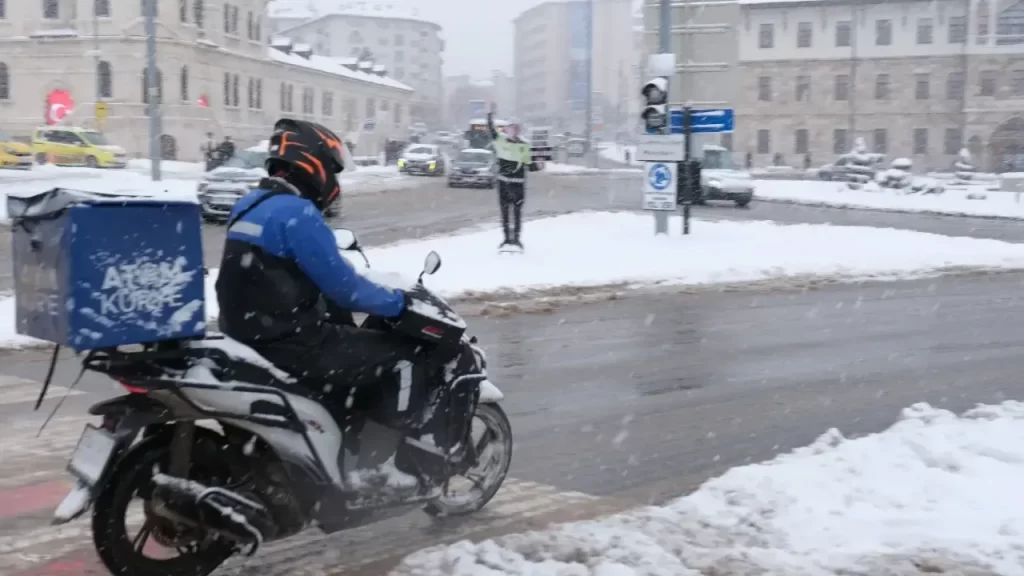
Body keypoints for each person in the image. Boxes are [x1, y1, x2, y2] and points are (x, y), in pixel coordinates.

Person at [214, 118, 482, 481]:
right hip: (291, 341)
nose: (334, 182)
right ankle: (382, 466)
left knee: (352, 342)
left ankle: (344, 437)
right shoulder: (297, 213)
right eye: (332, 170)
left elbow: (279, 272)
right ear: (312, 164)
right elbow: (346, 289)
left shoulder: (249, 204)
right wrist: (399, 303)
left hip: (248, 335)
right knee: (406, 357)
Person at [488, 110, 538, 250]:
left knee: (516, 213)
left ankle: (516, 239)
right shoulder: (500, 141)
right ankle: (506, 238)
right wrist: (489, 115)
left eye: (516, 128)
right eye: (511, 128)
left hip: (518, 185)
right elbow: (491, 131)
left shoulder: (525, 145)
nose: (514, 130)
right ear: (507, 129)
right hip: (503, 183)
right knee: (504, 213)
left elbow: (530, 166)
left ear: (519, 130)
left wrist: (538, 164)